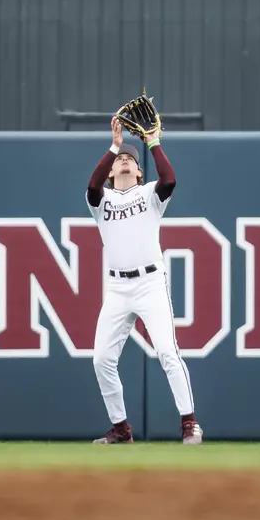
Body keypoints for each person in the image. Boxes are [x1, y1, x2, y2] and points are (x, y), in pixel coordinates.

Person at [84, 115, 202, 445]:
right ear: (111, 170)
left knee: (167, 351)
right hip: (118, 288)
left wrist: (152, 142)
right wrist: (115, 146)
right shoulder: (101, 201)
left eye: (130, 160)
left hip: (150, 284)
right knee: (101, 359)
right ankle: (120, 428)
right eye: (120, 159)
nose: (125, 160)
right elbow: (93, 186)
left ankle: (189, 422)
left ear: (139, 171)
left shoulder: (150, 193)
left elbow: (169, 178)